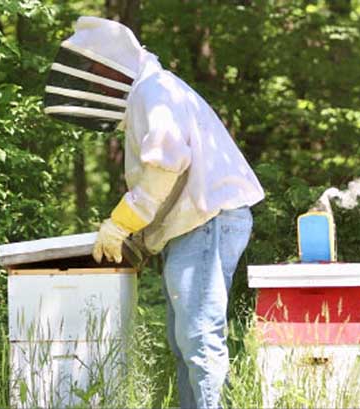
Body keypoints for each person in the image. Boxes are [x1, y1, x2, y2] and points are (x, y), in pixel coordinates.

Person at [43, 16, 265, 408]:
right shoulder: (151, 92)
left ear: (114, 64)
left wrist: (122, 223)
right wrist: (142, 240)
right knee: (184, 343)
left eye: (97, 72)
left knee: (198, 336)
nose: (95, 84)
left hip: (207, 221)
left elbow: (166, 167)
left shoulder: (154, 90)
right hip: (197, 222)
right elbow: (168, 182)